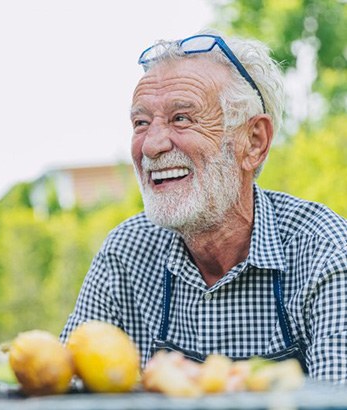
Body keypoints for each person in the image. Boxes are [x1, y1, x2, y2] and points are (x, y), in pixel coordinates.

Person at [60, 29, 347, 382]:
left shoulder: (324, 251)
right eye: (141, 123)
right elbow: (65, 387)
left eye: (182, 118)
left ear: (254, 141)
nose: (151, 145)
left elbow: (336, 399)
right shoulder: (125, 253)